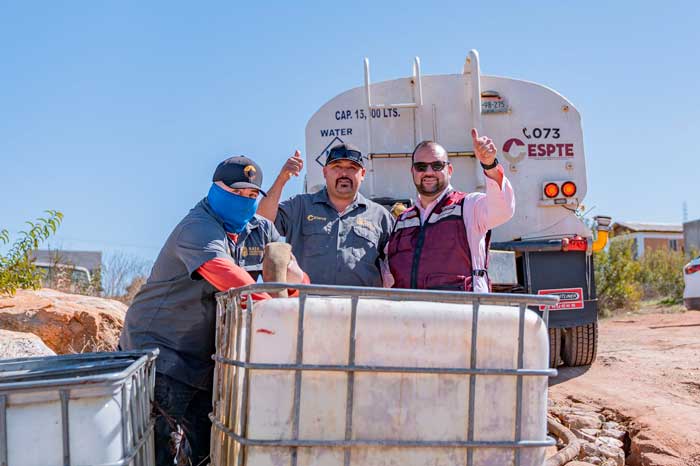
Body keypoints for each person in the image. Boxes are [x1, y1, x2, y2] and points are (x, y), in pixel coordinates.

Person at [119, 155, 307, 466]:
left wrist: (295, 283)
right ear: (216, 189)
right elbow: (226, 276)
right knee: (162, 447)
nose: (244, 200)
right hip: (162, 352)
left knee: (208, 447)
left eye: (251, 194)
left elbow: (294, 274)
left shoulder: (260, 229)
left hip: (210, 358)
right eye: (236, 192)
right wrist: (277, 312)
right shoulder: (198, 226)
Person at [384, 129, 515, 292]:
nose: (429, 172)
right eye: (421, 166)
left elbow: (503, 210)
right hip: (410, 307)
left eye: (437, 165)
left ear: (450, 170)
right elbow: (387, 274)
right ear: (413, 171)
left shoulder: (468, 206)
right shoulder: (403, 220)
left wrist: (490, 165)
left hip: (461, 307)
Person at [257, 143, 394, 287]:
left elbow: (396, 265)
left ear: (363, 174)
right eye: (337, 167)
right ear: (325, 172)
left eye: (352, 168)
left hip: (365, 301)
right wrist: (282, 178)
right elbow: (262, 223)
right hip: (307, 300)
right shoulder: (300, 206)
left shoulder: (381, 217)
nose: (344, 174)